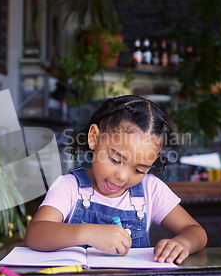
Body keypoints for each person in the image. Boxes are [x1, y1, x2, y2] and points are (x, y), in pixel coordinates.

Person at [25, 95, 207, 264]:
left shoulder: (151, 189)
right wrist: (88, 233)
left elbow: (195, 230)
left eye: (138, 170)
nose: (122, 176)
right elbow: (36, 234)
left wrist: (184, 243)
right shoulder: (69, 187)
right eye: (115, 160)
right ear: (94, 138)